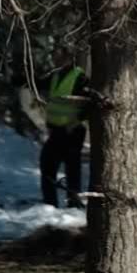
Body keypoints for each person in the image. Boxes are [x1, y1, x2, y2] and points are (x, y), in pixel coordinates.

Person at [39, 48, 91, 207]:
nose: (55, 60)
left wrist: (74, 122)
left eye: (59, 56)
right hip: (56, 130)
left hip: (72, 130)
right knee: (48, 165)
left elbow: (89, 104)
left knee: (71, 169)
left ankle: (73, 204)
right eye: (54, 56)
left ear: (69, 57)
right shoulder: (56, 75)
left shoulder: (79, 76)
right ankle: (51, 205)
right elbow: (39, 83)